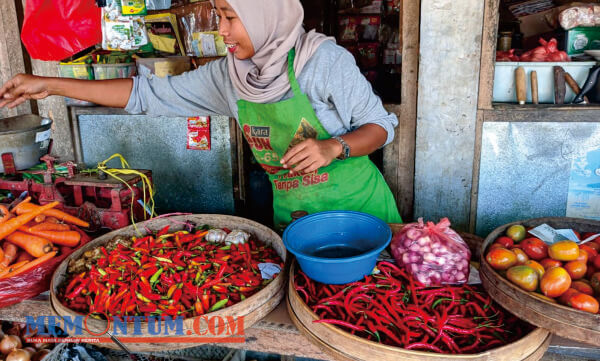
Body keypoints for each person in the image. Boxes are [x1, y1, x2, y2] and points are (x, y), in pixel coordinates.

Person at [0, 0, 402, 230]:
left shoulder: (323, 61)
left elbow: (381, 126)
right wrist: (51, 84)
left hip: (358, 209)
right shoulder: (230, 76)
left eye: (229, 17)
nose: (221, 31)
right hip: (294, 216)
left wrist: (335, 145)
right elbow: (147, 94)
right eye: (219, 16)